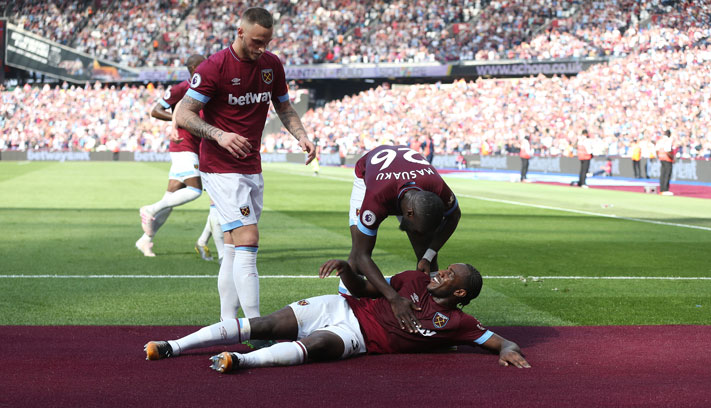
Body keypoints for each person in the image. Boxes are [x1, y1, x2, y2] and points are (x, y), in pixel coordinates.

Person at [173, 7, 316, 321]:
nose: (261, 48)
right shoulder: (214, 67)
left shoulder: (271, 65)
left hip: (251, 167)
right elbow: (182, 114)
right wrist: (218, 135)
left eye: (266, 42)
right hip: (220, 167)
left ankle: (228, 321)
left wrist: (301, 135)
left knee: (234, 245)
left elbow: (284, 106)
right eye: (256, 41)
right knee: (249, 239)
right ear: (239, 33)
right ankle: (255, 325)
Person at [144, 259, 531, 373]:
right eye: (444, 268)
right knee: (263, 324)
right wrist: (347, 269)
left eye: (449, 276)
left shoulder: (460, 325)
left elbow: (502, 341)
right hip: (341, 306)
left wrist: (506, 350)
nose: (439, 273)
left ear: (459, 293)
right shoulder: (412, 278)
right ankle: (173, 346)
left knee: (314, 346)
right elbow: (363, 288)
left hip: (358, 339)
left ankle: (239, 360)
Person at [347, 144, 461, 333]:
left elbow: (454, 216)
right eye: (417, 229)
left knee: (425, 249)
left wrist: (429, 255)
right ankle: (346, 304)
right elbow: (362, 255)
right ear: (407, 214)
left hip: (410, 182)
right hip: (368, 176)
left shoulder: (438, 187)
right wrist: (394, 298)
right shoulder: (376, 198)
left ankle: (431, 313)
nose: (418, 233)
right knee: (357, 248)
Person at [136, 54, 223, 260]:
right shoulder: (183, 88)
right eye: (204, 65)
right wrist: (179, 120)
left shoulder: (207, 89)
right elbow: (156, 111)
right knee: (194, 190)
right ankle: (150, 209)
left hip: (197, 146)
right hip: (183, 145)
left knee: (171, 199)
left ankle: (145, 240)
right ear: (194, 69)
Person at [656, 129, 675, 195]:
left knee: (662, 174)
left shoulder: (660, 140)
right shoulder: (668, 140)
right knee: (667, 174)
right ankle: (665, 189)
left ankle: (661, 189)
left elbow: (657, 149)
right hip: (668, 159)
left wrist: (659, 156)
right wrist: (672, 157)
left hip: (661, 157)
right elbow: (668, 150)